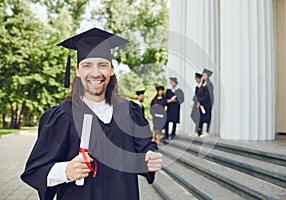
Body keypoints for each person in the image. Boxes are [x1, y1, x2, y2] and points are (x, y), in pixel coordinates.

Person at [20, 28, 163, 200]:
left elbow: (145, 147)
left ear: (111, 69)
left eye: (102, 65)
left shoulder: (129, 112)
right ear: (78, 71)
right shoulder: (62, 116)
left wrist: (149, 157)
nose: (95, 73)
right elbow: (35, 171)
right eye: (87, 65)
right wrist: (65, 171)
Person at [196, 69, 214, 137]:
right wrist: (199, 101)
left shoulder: (209, 84)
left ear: (208, 76)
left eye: (205, 75)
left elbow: (207, 95)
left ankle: (207, 131)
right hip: (202, 103)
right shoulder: (202, 84)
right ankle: (199, 131)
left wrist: (200, 101)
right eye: (203, 75)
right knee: (201, 117)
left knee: (208, 117)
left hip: (208, 103)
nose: (203, 76)